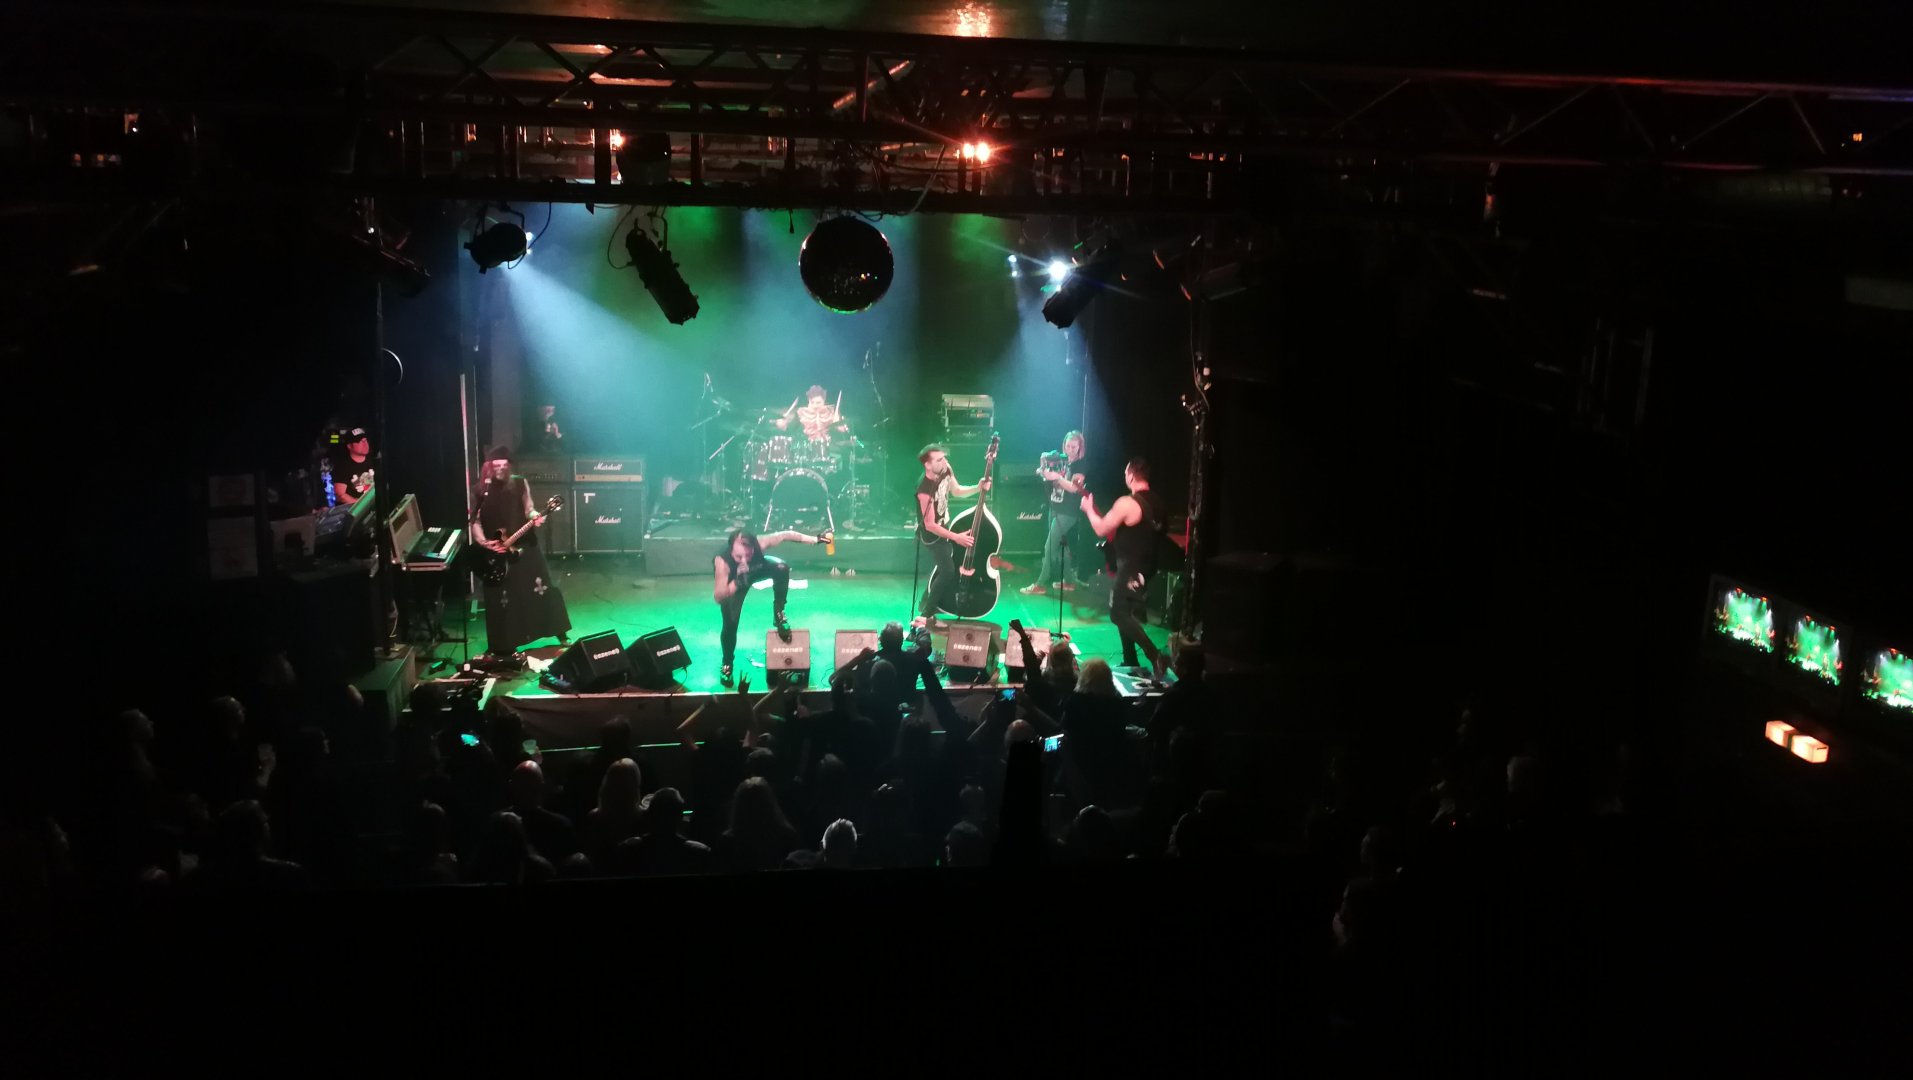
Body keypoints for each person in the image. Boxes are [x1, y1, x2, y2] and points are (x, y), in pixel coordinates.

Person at [472, 446, 571, 661]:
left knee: (542, 587)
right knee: (503, 597)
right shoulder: (479, 490)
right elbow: (475, 521)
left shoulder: (519, 483)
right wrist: (485, 543)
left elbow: (529, 509)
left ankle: (559, 632)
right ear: (488, 467)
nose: (501, 468)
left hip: (525, 545)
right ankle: (504, 643)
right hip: (498, 552)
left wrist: (536, 516)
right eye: (496, 465)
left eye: (504, 465)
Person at [1081, 457, 1167, 681]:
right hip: (1147, 566)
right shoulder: (1158, 502)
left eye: (1125, 473)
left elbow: (1101, 528)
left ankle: (1156, 656)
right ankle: (1130, 659)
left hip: (1131, 568)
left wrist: (1089, 509)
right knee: (1124, 610)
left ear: (1130, 475)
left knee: (1117, 613)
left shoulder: (1128, 503)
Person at [713, 528, 829, 688]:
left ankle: (779, 613)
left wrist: (815, 539)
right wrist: (738, 581)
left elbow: (786, 534)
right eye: (739, 557)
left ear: (753, 548)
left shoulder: (760, 543)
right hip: (735, 582)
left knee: (781, 568)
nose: (744, 560)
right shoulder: (722, 562)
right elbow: (718, 596)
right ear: (731, 550)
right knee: (730, 624)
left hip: (757, 570)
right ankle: (727, 664)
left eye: (748, 555)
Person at [915, 444, 991, 618]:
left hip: (945, 526)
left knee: (945, 565)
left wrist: (977, 487)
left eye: (944, 458)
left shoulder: (946, 469)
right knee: (947, 570)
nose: (945, 462)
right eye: (939, 460)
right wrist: (956, 537)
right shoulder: (924, 490)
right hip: (931, 535)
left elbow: (956, 491)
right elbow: (930, 524)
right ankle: (926, 613)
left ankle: (926, 600)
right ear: (928, 465)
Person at [1022, 430, 1089, 596]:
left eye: (1074, 447)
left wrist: (1056, 477)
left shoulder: (1080, 465)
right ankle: (1069, 581)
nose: (1070, 450)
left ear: (1080, 448)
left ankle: (1041, 584)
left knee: (1049, 546)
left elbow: (1073, 488)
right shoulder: (1061, 461)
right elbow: (1049, 477)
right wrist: (1044, 472)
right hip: (1055, 507)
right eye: (1068, 446)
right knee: (1060, 547)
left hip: (1068, 512)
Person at [332, 428, 374, 507]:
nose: (365, 444)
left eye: (365, 440)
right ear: (349, 446)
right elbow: (341, 495)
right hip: (352, 509)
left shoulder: (374, 459)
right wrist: (362, 505)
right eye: (359, 442)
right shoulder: (342, 466)